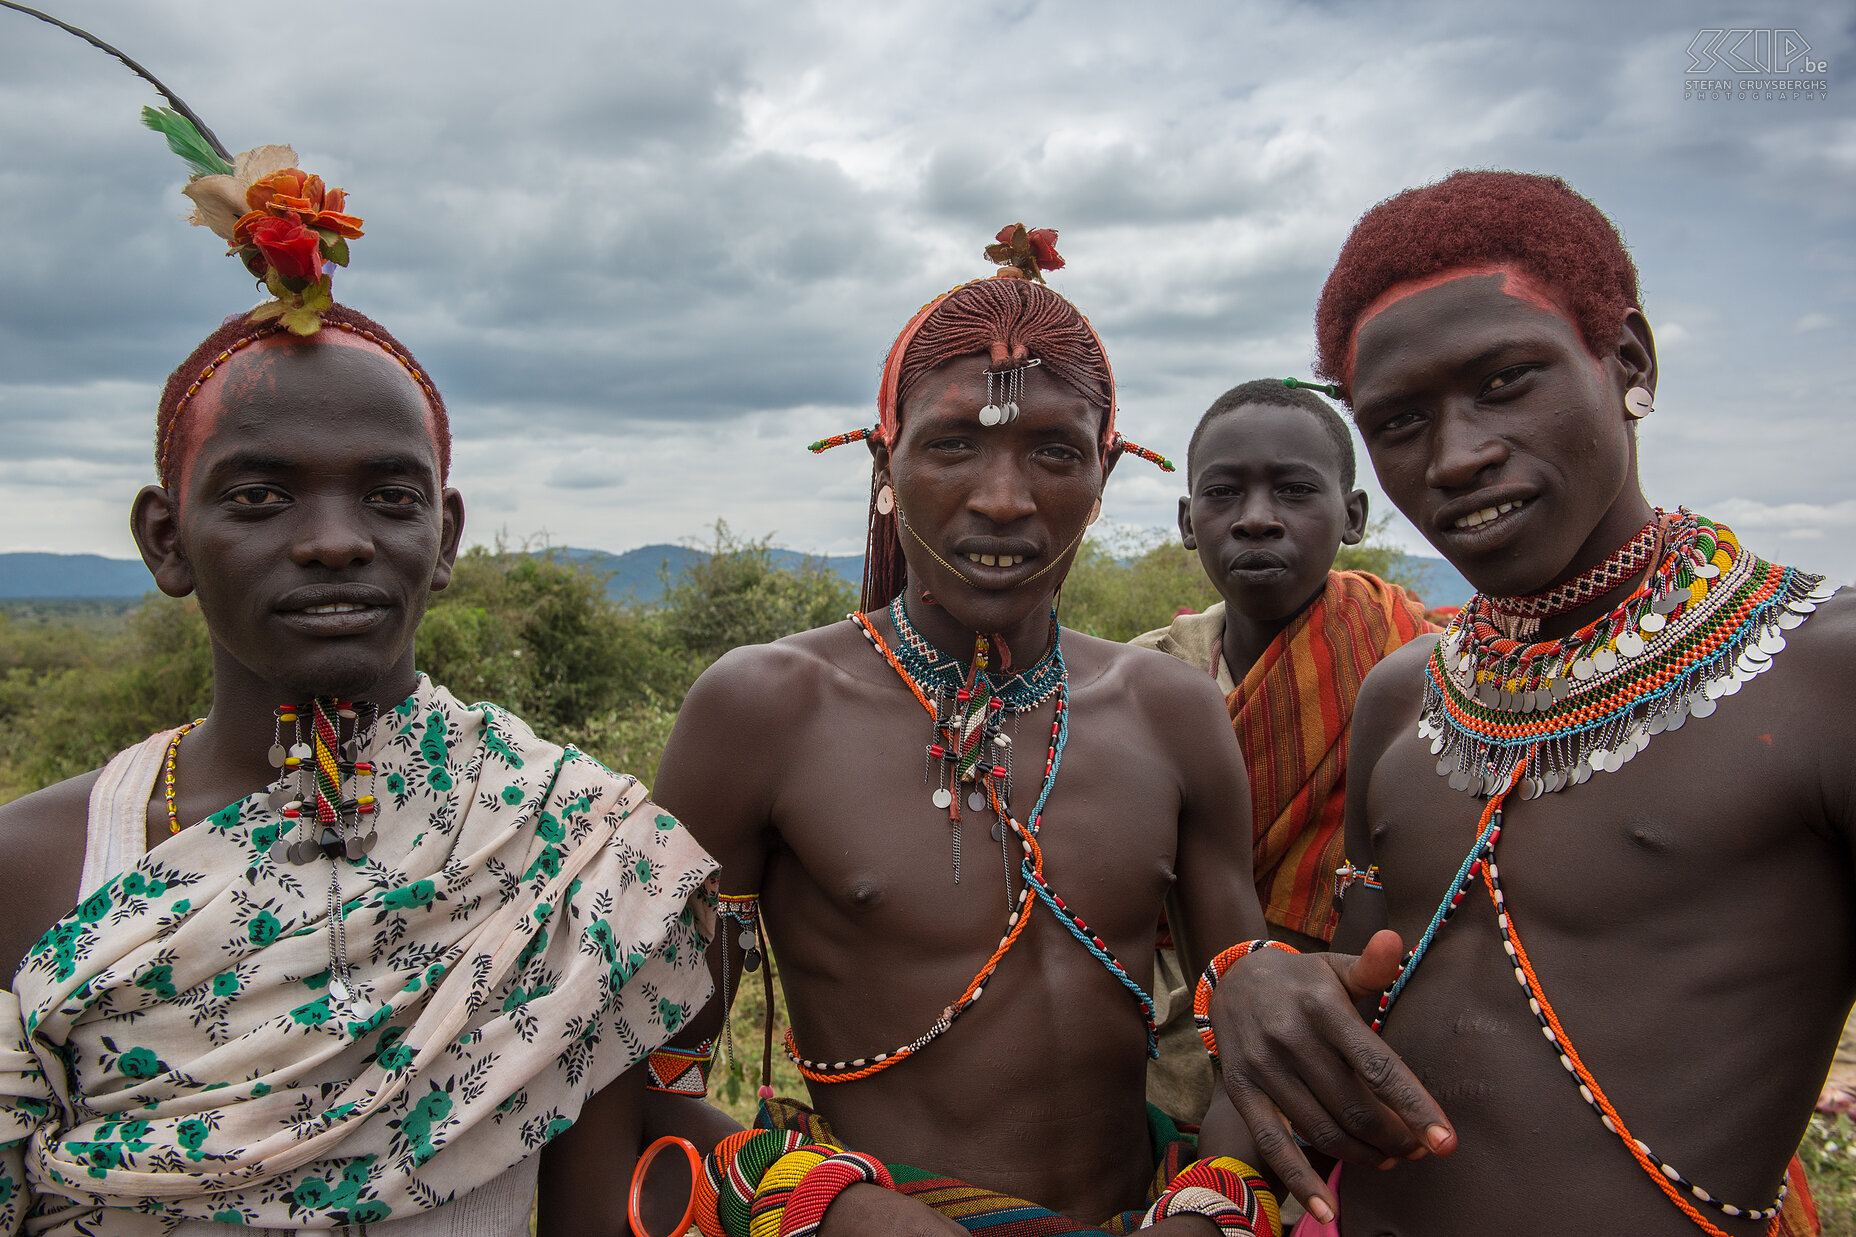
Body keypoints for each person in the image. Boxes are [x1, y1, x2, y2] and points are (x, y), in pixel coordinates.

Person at [0, 116, 716, 1236]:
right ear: (164, 540)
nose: (335, 540)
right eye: (259, 497)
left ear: (446, 534)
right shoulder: (36, 864)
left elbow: (595, 1212)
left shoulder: (567, 845)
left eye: (390, 497)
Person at [1207, 170, 1844, 1237]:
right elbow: (1362, 1001)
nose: (1455, 456)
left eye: (1505, 382)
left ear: (1627, 360)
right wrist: (1259, 985)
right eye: (1398, 418)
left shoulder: (1820, 678)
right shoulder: (1400, 695)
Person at [645, 226, 1287, 1236]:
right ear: (882, 467)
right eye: (951, 444)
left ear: (1105, 474)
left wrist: (1211, 1201)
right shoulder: (763, 709)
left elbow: (1255, 1028)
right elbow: (651, 1069)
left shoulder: (1170, 710)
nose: (1001, 498)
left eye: (1053, 452)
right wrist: (841, 1210)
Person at [1131, 380, 1432, 1128]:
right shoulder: (1138, 682)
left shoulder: (1418, 668)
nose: (1257, 519)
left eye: (1294, 490)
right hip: (1155, 1063)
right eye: (1224, 493)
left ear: (1352, 515)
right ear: (1187, 522)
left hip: (1373, 1041)